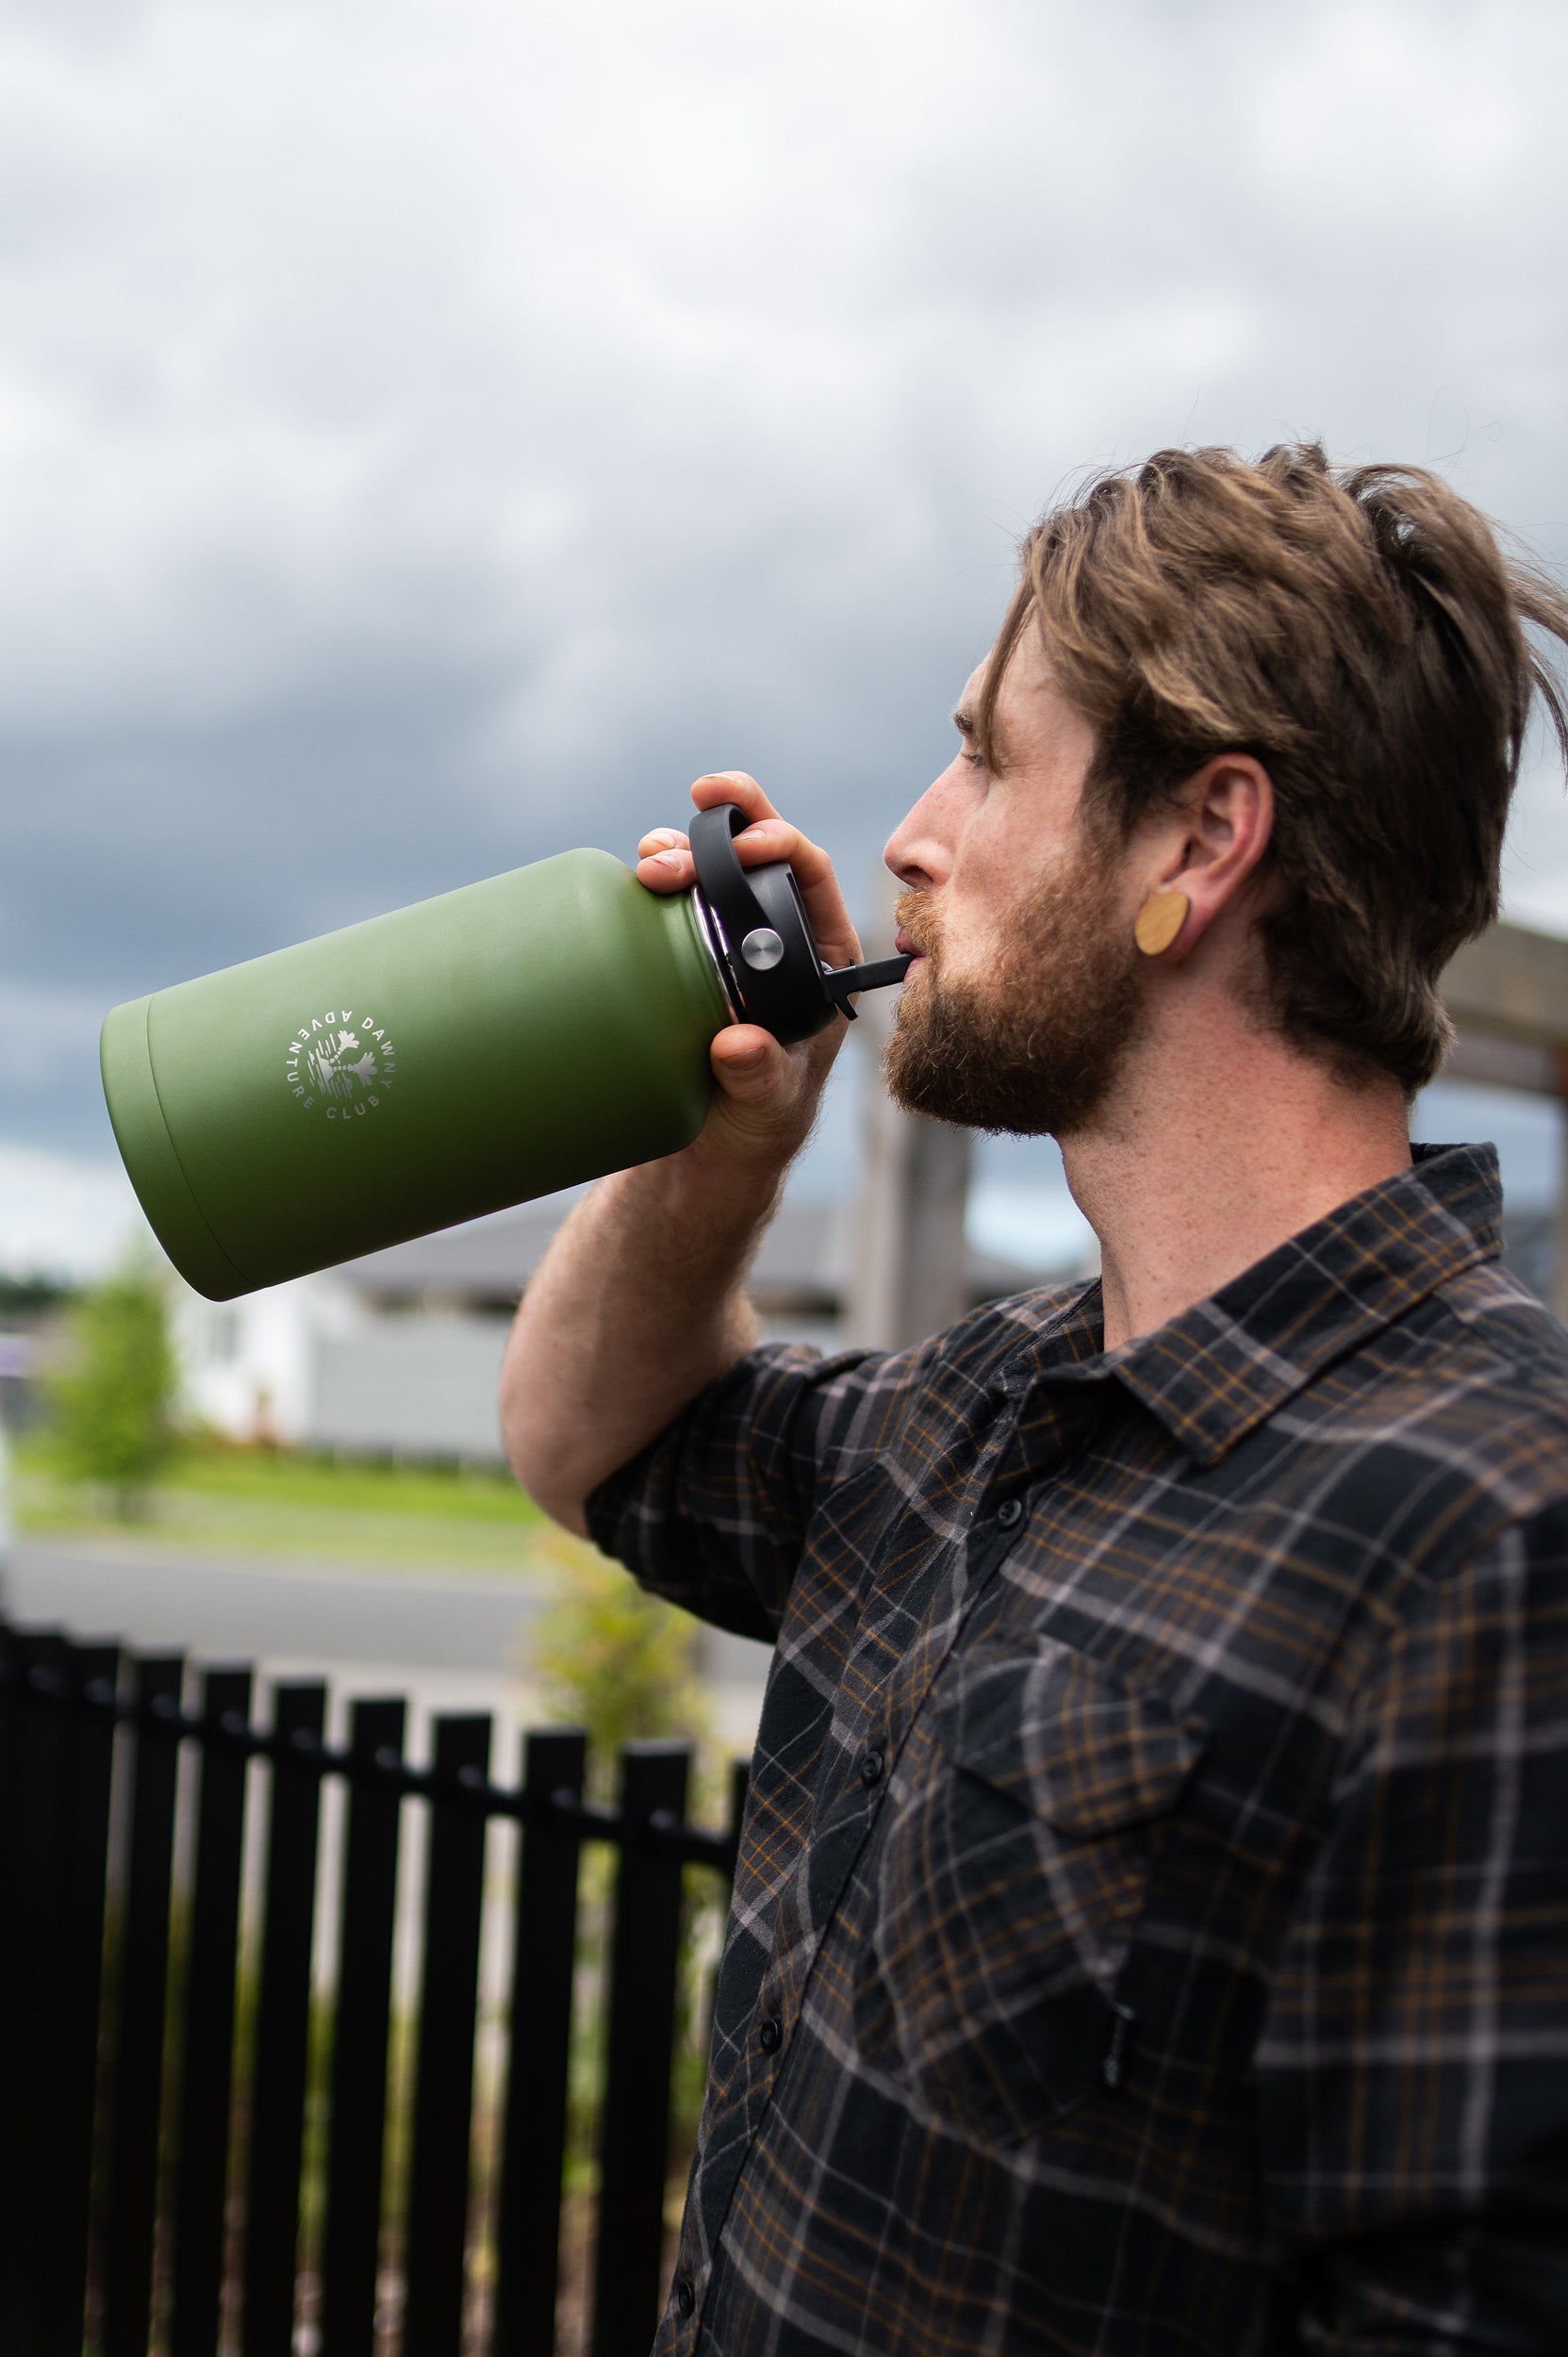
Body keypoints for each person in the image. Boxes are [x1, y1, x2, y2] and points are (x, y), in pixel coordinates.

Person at [501, 444, 1568, 2356]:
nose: (914, 833)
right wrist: (720, 1132)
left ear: (1193, 843)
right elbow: (594, 1440)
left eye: (988, 758)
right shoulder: (982, 1401)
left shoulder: (1498, 1527)